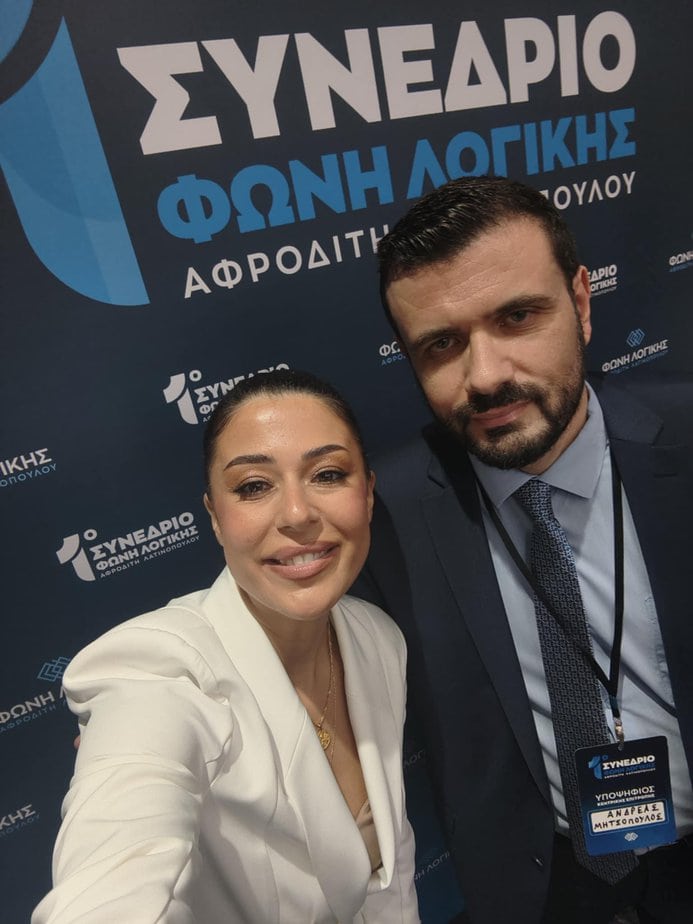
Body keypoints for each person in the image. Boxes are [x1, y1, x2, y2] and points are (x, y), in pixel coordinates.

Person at [356, 176, 693, 924]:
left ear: (580, 303)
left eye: (517, 317)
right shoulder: (381, 516)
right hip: (539, 886)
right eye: (441, 344)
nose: (485, 376)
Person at [33, 370, 419, 924]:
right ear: (215, 516)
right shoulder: (157, 668)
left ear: (368, 493)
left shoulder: (377, 638)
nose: (297, 514)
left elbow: (390, 872)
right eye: (254, 486)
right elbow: (115, 874)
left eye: (328, 474)